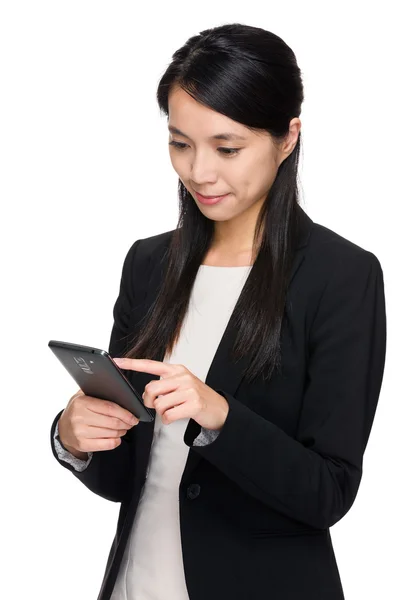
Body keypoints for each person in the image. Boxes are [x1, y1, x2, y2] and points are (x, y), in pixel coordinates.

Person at [50, 23, 387, 600]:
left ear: (287, 138)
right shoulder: (148, 263)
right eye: (181, 143)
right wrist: (74, 439)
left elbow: (328, 492)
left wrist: (220, 416)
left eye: (227, 148)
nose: (199, 171)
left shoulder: (341, 276)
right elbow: (126, 476)